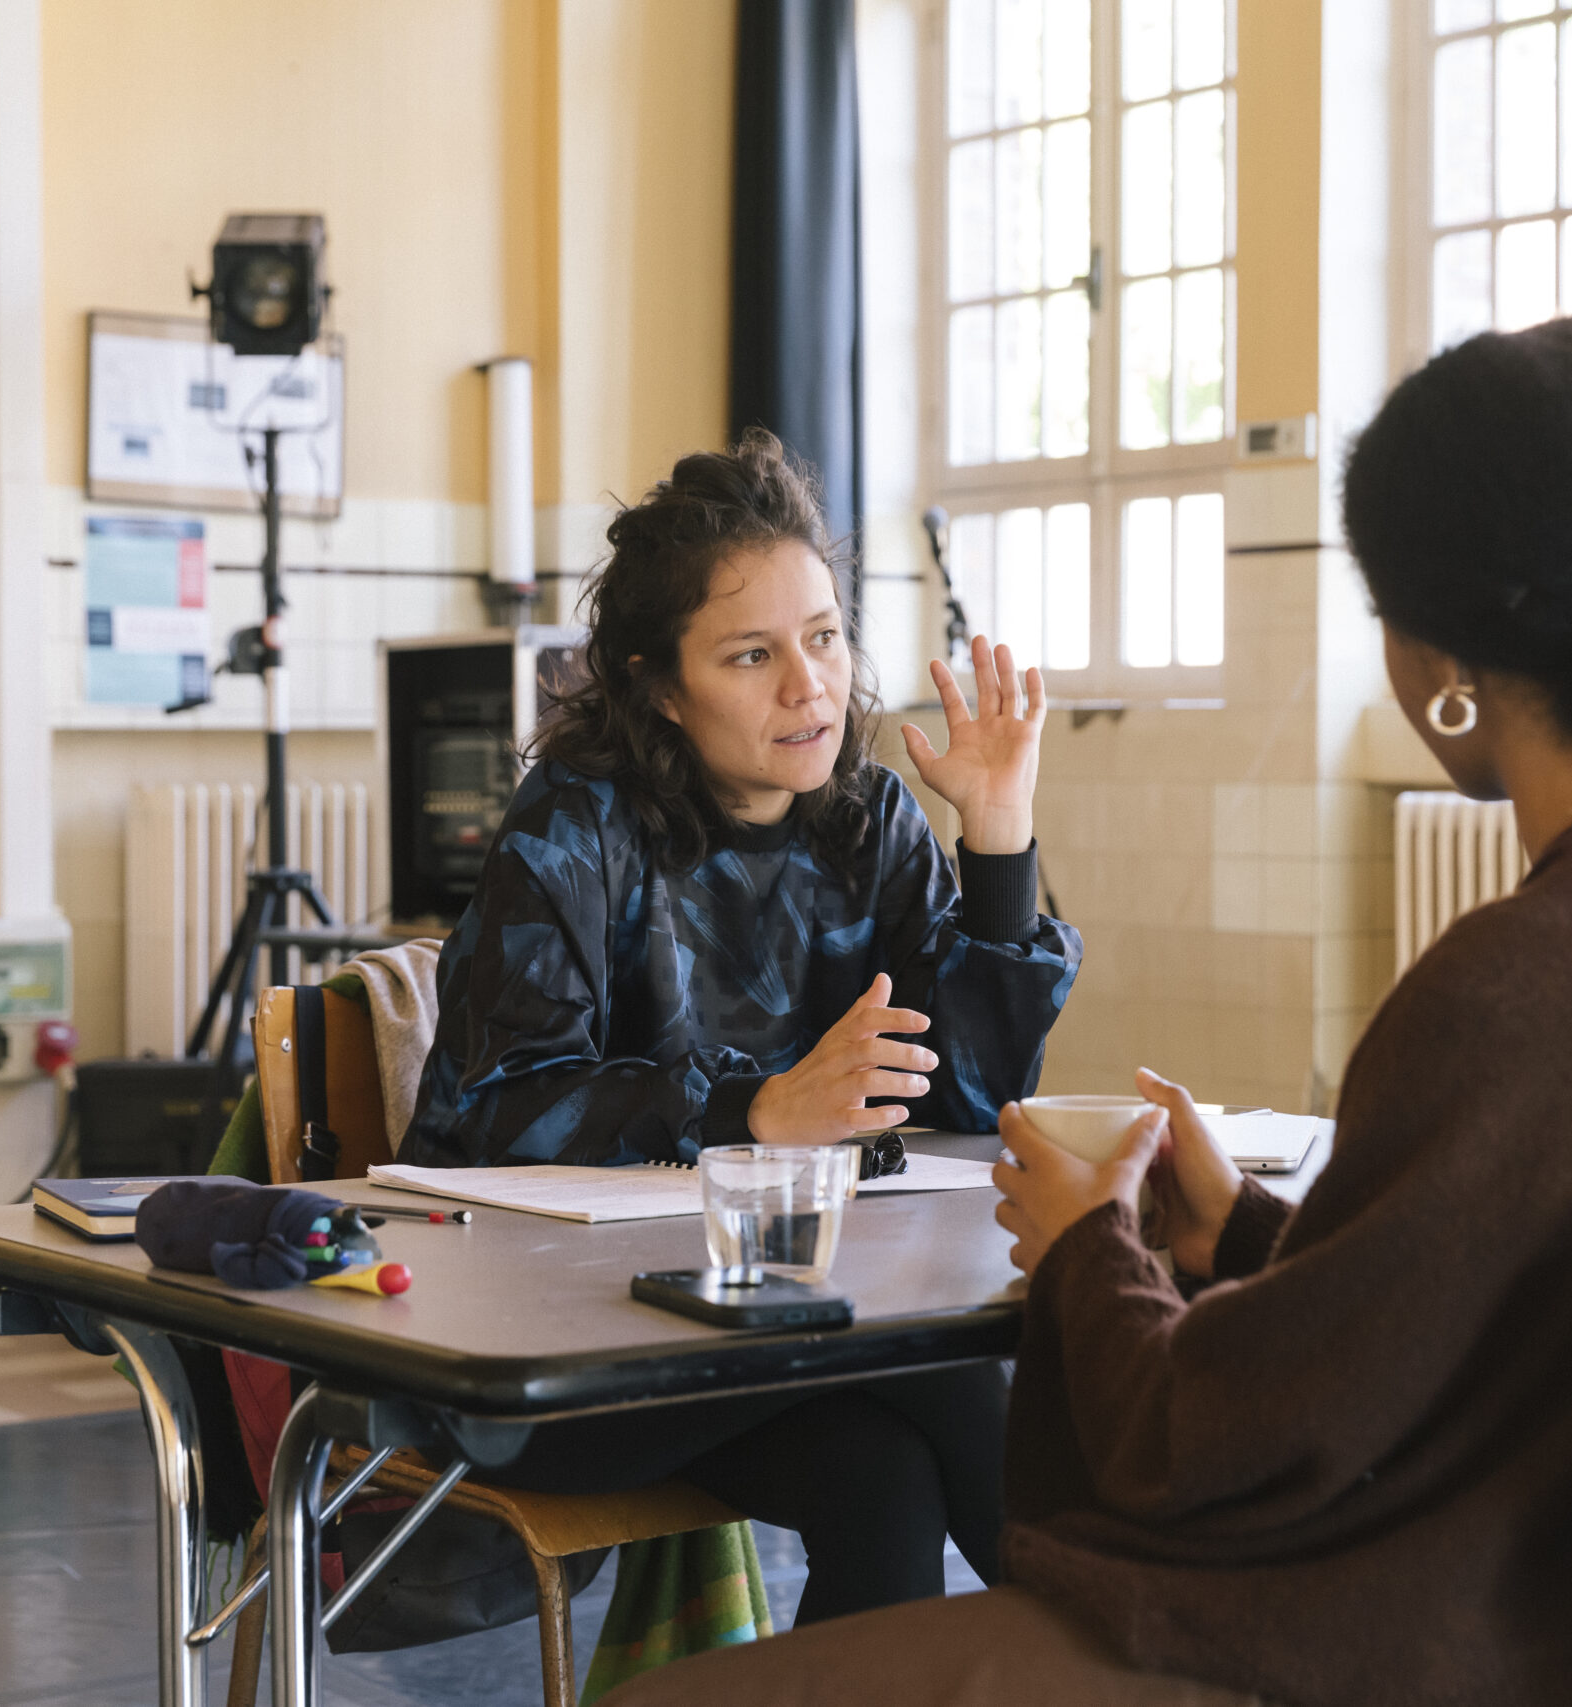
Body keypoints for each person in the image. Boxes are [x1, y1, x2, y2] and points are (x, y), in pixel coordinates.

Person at [601, 314, 1572, 1707]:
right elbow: (1520, 1327)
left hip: (1432, 1651)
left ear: (1446, 657)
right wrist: (1242, 1233)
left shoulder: (1529, 984)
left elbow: (1210, 1447)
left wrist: (1094, 1250)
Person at [401, 429, 1082, 1623]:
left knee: (885, 1485)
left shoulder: (865, 819)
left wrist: (999, 842)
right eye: (751, 655)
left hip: (769, 1325)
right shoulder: (574, 824)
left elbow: (963, 1102)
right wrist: (753, 1112)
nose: (808, 686)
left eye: (823, 639)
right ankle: (1160, 1652)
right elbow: (496, 1107)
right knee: (961, 1392)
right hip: (548, 1347)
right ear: (660, 684)